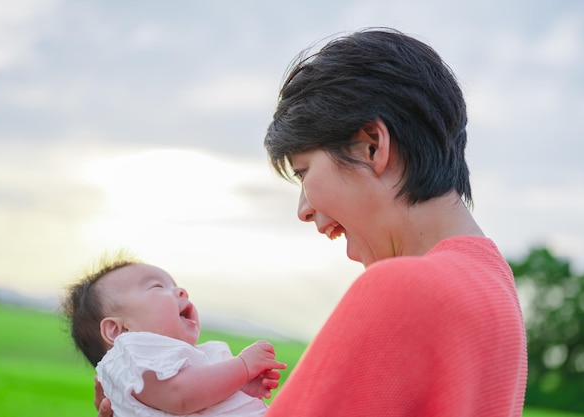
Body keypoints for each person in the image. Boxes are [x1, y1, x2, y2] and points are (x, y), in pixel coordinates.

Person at [97, 26, 527, 417]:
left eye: (303, 172)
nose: (303, 208)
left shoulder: (405, 288)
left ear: (371, 147)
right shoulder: (495, 288)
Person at [64, 254, 286, 417]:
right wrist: (242, 367)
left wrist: (238, 386)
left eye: (176, 286)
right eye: (157, 287)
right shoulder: (131, 355)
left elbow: (199, 396)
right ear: (119, 331)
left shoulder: (190, 358)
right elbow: (180, 396)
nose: (181, 292)